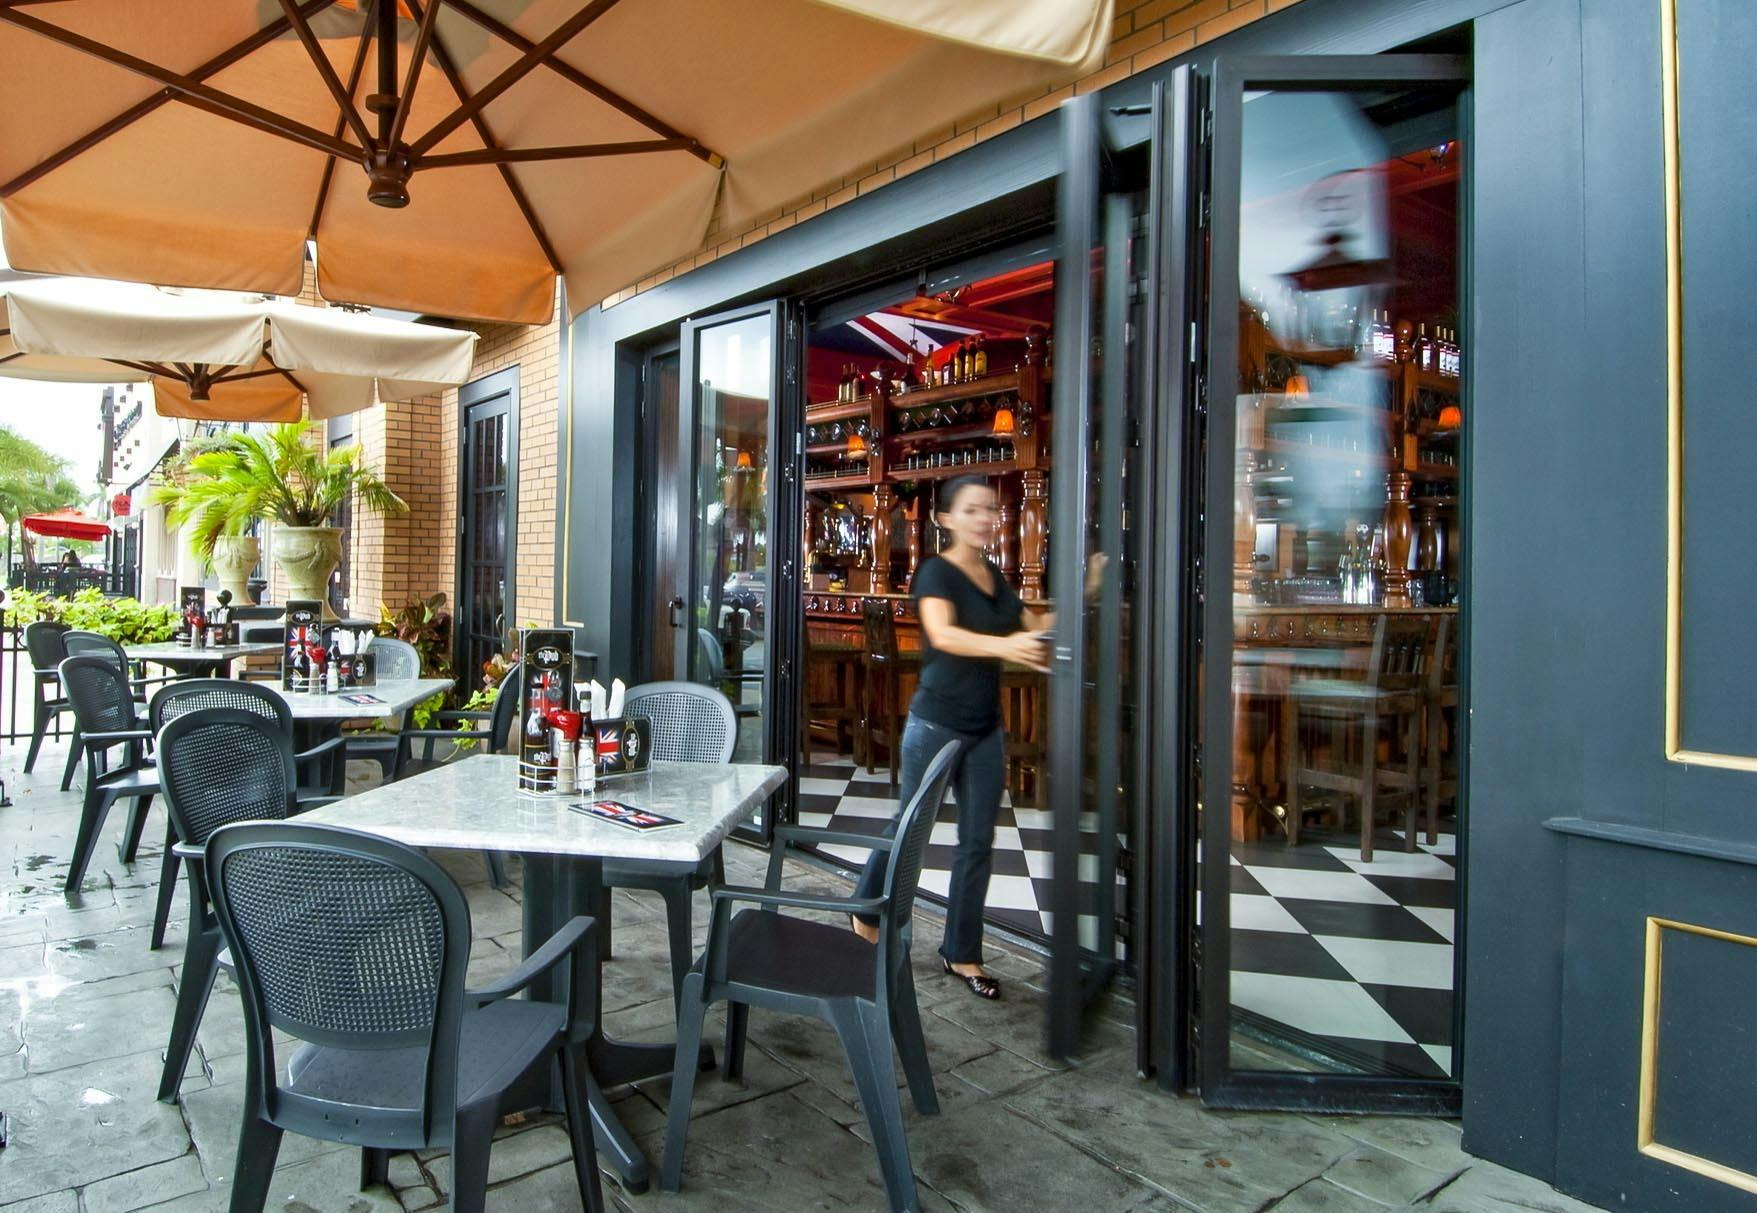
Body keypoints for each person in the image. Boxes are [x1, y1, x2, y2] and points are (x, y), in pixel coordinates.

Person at [850, 474, 1051, 1000]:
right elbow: (943, 635)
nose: (986, 517)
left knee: (978, 843)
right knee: (908, 825)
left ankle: (962, 953)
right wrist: (1011, 647)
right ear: (945, 519)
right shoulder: (935, 572)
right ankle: (866, 912)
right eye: (973, 509)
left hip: (985, 727)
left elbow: (1031, 623)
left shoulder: (995, 574)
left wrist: (1061, 620)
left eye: (991, 509)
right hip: (936, 724)